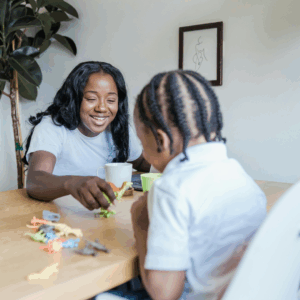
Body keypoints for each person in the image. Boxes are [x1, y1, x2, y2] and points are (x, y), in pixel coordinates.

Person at [97, 70, 267, 300]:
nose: (144, 153)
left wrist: (140, 222)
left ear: (161, 140)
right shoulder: (238, 175)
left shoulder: (171, 188)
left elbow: (165, 293)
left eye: (142, 141)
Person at [23, 61, 150, 210]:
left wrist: (172, 161)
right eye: (91, 99)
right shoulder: (52, 127)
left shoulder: (118, 128)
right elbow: (35, 181)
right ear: (74, 99)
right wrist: (71, 183)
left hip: (104, 213)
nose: (102, 108)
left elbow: (141, 162)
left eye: (110, 100)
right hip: (59, 214)